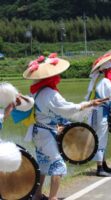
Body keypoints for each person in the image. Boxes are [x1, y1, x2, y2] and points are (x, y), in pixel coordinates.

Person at [23, 53, 105, 200]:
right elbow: (67, 109)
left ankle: (37, 194)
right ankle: (53, 197)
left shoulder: (37, 91)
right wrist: (89, 104)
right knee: (58, 165)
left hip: (39, 131)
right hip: (46, 133)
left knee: (43, 163)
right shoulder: (50, 93)